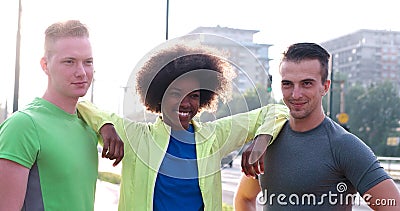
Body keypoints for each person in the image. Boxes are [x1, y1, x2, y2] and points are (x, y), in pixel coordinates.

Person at [77, 41, 290, 211]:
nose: (185, 103)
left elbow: (278, 111)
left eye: (194, 96)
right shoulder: (136, 136)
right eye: (176, 94)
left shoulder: (214, 137)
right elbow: (81, 105)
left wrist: (261, 140)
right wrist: (105, 125)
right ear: (159, 96)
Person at [238, 42, 400, 210]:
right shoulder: (268, 140)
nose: (296, 94)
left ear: (325, 87)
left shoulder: (344, 146)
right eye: (287, 84)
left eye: (306, 83)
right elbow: (244, 198)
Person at [0, 20, 124, 211]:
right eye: (69, 62)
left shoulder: (88, 125)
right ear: (45, 65)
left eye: (88, 62)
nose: (81, 72)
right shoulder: (23, 125)